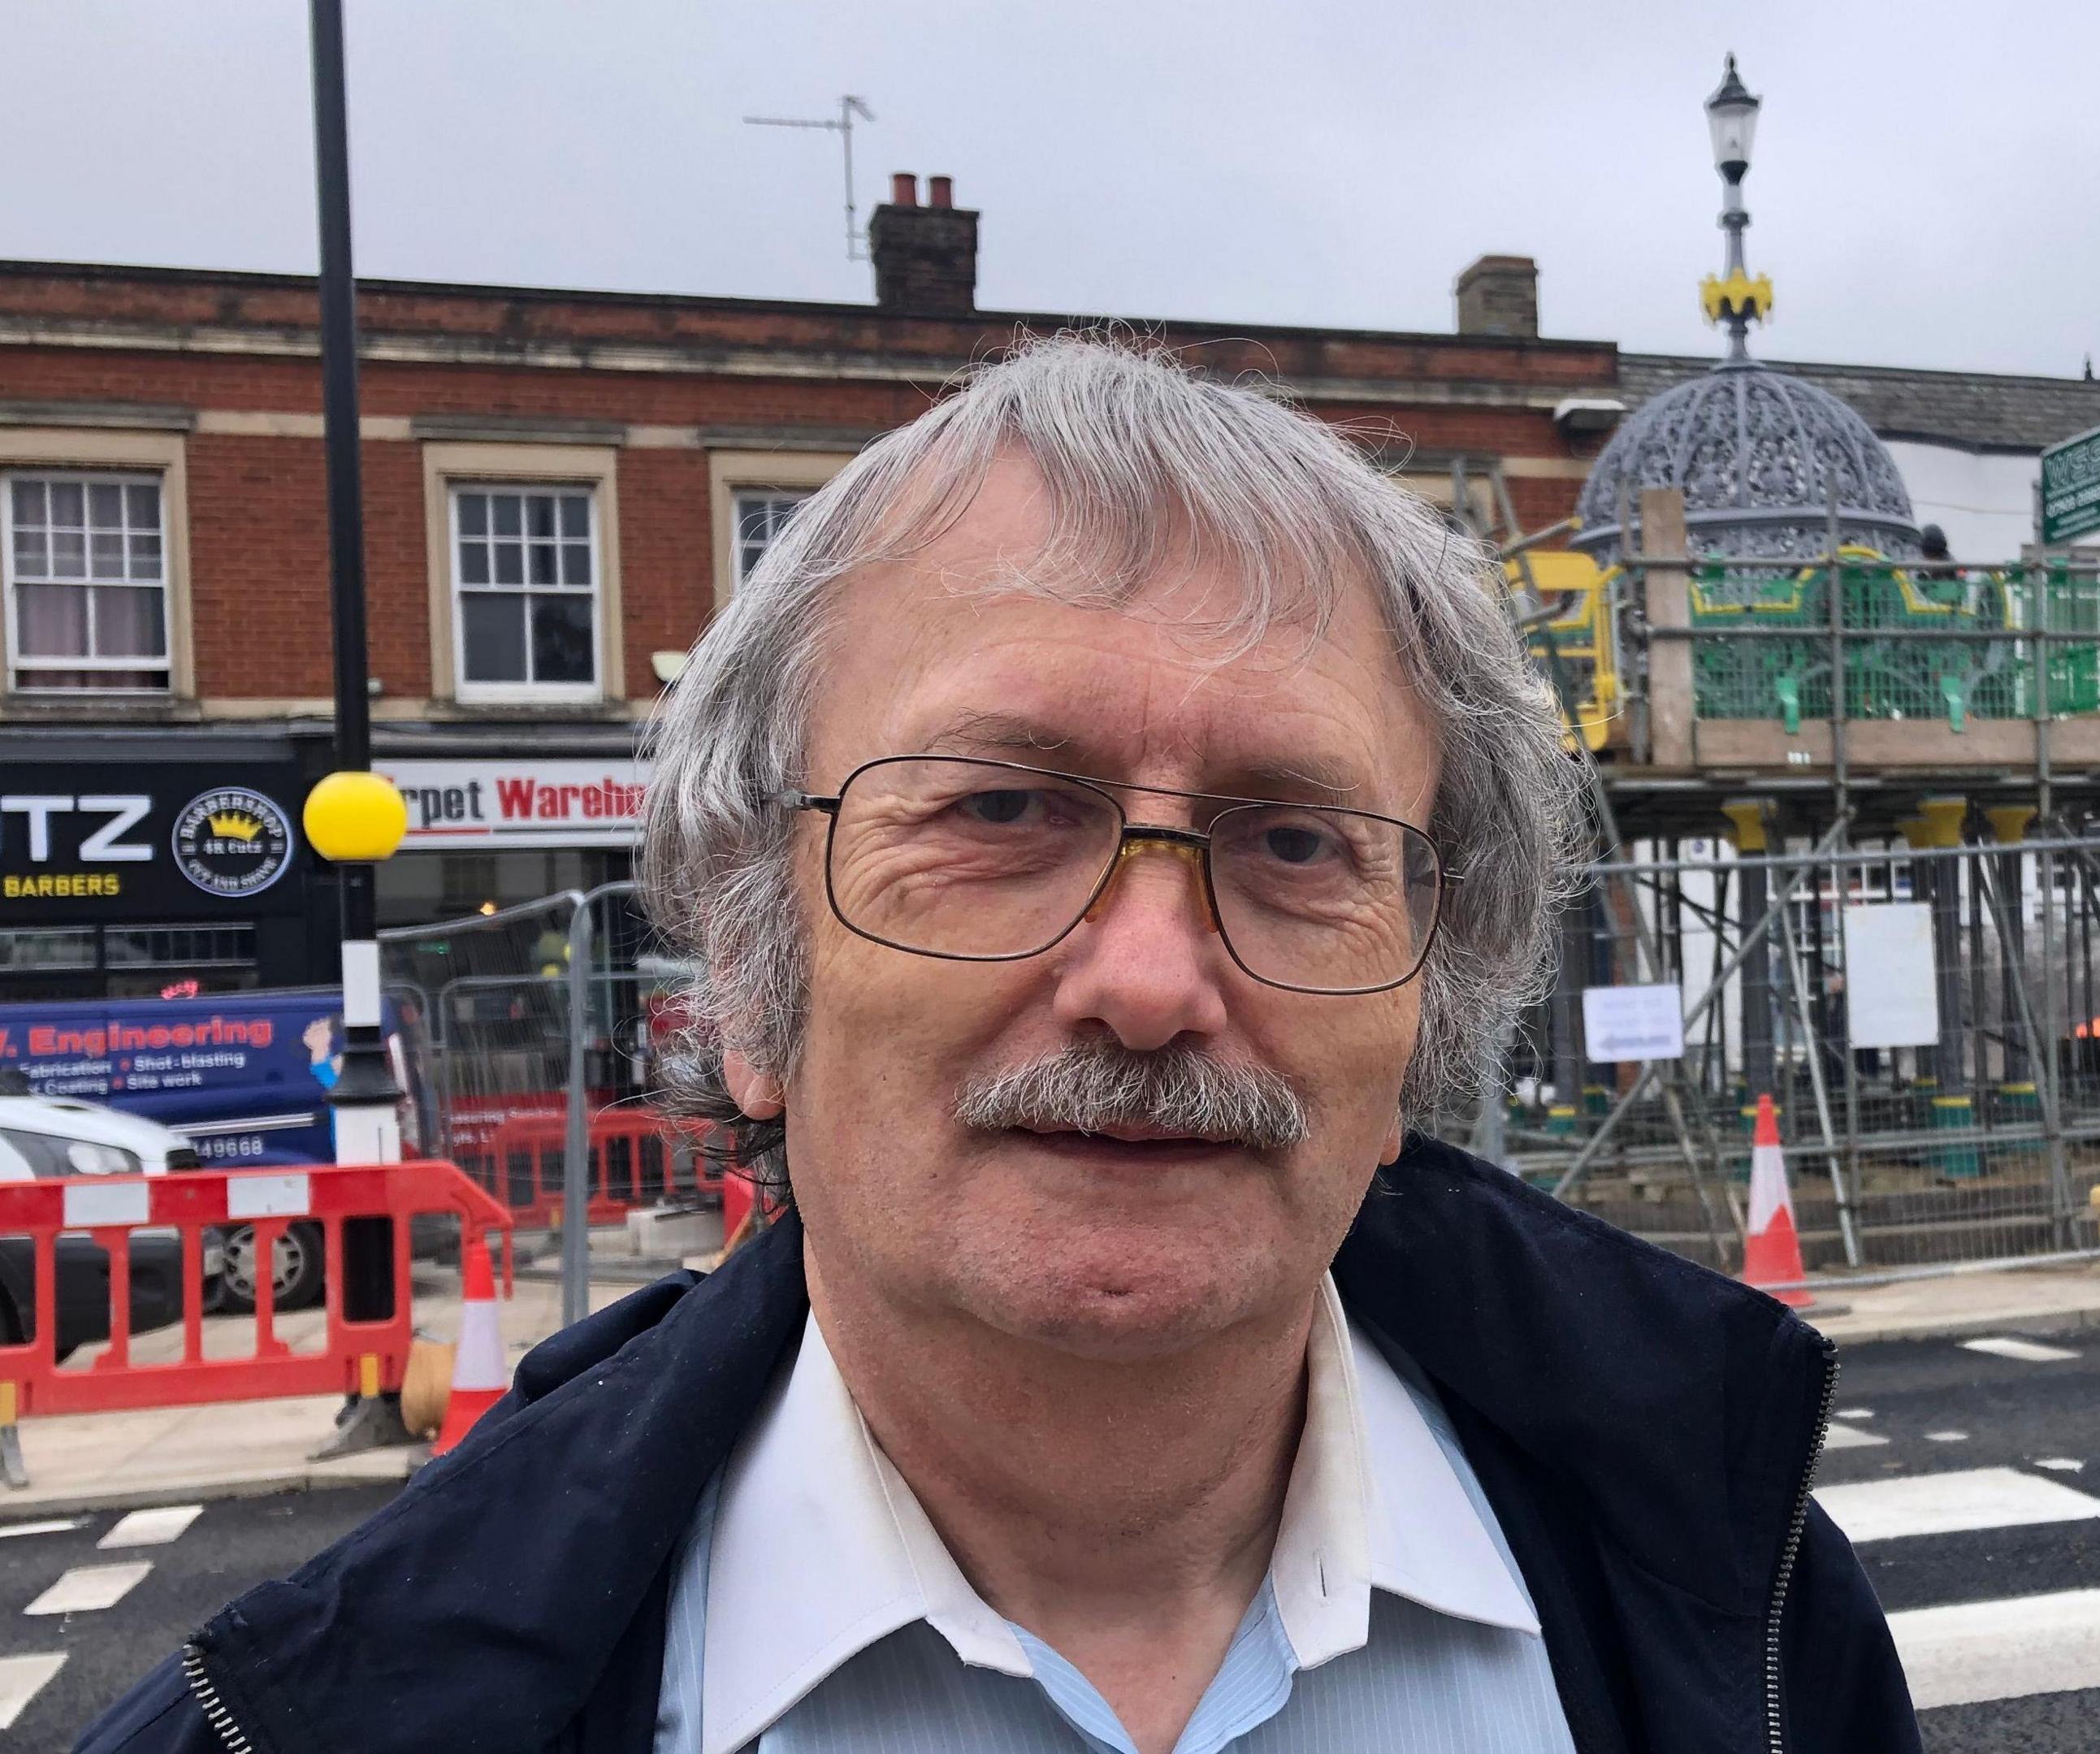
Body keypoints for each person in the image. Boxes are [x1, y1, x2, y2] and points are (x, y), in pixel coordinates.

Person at [80, 340, 1915, 1754]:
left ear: (1440, 983)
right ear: (744, 951)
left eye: (1293, 839)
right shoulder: (315, 1715)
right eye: (994, 808)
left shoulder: (1742, 1605)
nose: (1146, 975)